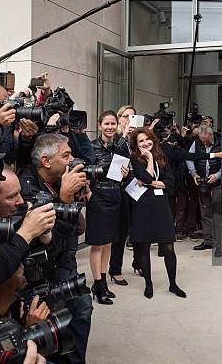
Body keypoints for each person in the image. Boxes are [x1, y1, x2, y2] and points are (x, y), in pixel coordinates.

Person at [18, 133, 94, 364]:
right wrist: (64, 197)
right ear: (46, 161)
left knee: (82, 310)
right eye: (66, 155)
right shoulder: (27, 189)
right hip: (41, 270)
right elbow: (48, 242)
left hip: (66, 263)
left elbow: (77, 227)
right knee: (57, 327)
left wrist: (77, 195)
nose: (72, 159)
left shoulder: (62, 178)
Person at [128, 127, 186, 299]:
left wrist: (153, 181)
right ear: (136, 145)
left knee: (169, 247)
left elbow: (170, 182)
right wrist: (150, 160)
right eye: (141, 141)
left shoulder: (162, 156)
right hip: (143, 207)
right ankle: (148, 284)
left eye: (147, 139)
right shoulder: (135, 159)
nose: (146, 143)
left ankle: (173, 284)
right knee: (144, 248)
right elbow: (145, 177)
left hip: (162, 206)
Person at [86, 110, 130, 304]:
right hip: (98, 197)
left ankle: (102, 283)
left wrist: (126, 173)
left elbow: (122, 172)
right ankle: (98, 283)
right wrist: (88, 194)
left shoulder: (119, 147)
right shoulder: (91, 146)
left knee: (109, 243)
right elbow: (84, 170)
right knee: (98, 243)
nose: (110, 127)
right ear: (100, 125)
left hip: (115, 195)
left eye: (113, 124)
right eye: (107, 124)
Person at [108, 105, 137, 282]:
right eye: (126, 116)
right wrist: (125, 135)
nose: (129, 120)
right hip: (119, 188)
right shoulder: (115, 138)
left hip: (138, 185)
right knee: (121, 230)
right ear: (119, 119)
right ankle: (115, 268)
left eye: (133, 117)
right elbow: (114, 166)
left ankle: (139, 263)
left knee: (140, 228)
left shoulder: (138, 138)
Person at [186, 125, 222, 250]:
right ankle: (208, 241)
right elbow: (189, 158)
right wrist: (194, 173)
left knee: (218, 213)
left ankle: (219, 243)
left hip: (218, 183)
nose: (203, 142)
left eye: (206, 140)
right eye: (201, 140)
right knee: (205, 212)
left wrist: (217, 176)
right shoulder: (197, 143)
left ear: (211, 135)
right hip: (203, 182)